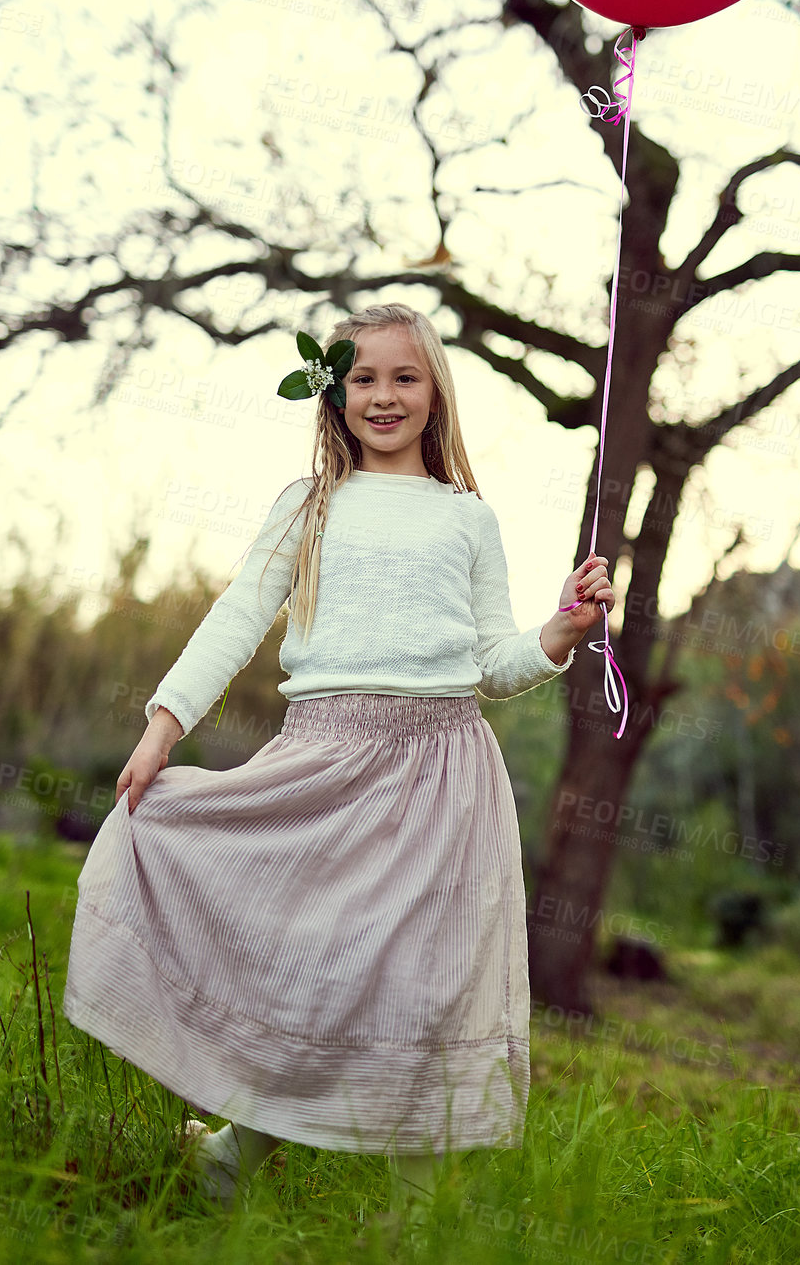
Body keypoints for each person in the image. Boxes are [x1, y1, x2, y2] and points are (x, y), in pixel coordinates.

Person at [60, 300, 614, 1230]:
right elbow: (235, 617)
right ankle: (236, 1153)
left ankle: (410, 1217)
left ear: (435, 391)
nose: (383, 395)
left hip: (443, 774)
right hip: (323, 762)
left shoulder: (467, 519)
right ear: (334, 390)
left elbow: (490, 664)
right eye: (363, 377)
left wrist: (559, 628)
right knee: (313, 971)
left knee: (421, 990)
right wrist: (164, 723)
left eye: (404, 376)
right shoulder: (308, 504)